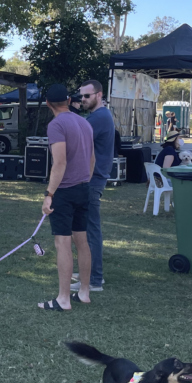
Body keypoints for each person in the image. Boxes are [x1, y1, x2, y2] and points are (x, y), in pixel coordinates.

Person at [38, 84, 94, 311]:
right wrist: (84, 180)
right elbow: (92, 160)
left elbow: (59, 162)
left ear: (48, 104)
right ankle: (84, 292)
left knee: (63, 243)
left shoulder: (56, 125)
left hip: (65, 191)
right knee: (82, 242)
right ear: (69, 100)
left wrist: (49, 194)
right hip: (83, 188)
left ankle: (63, 298)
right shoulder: (84, 122)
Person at [73, 79, 114, 293]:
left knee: (90, 230)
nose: (83, 100)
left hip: (92, 180)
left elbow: (76, 139)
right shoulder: (100, 116)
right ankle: (88, 273)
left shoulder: (98, 117)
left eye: (87, 96)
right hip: (93, 178)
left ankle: (95, 279)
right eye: (81, 96)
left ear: (99, 95)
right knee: (86, 229)